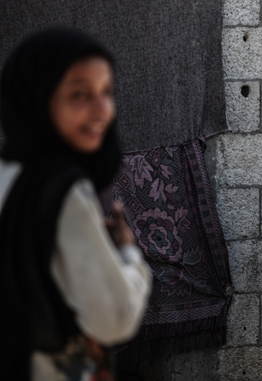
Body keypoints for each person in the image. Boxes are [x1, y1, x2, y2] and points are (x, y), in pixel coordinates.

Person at [0, 28, 151, 380]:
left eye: (107, 92)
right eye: (80, 94)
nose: (101, 110)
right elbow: (114, 320)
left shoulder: (8, 173)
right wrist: (128, 254)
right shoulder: (63, 192)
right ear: (38, 98)